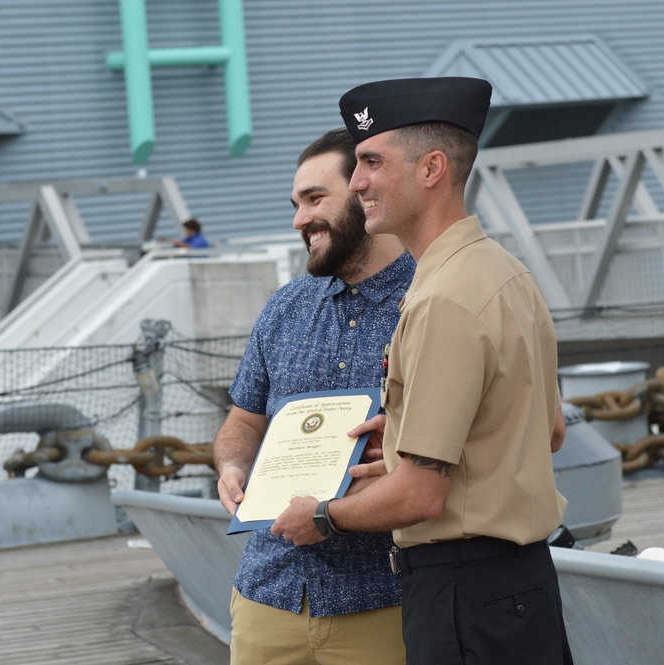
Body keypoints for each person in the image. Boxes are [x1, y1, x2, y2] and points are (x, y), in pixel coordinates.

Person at [272, 78, 573, 664]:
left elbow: (420, 497)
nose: (356, 182)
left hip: (464, 595)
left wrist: (321, 517)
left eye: (370, 162)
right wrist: (409, 438)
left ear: (432, 168)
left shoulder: (441, 298)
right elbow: (550, 430)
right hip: (519, 589)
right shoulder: (503, 271)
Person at [213, 127, 414, 665]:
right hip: (267, 596)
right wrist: (232, 465)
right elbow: (243, 420)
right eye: (296, 203)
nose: (299, 219)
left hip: (383, 601)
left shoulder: (429, 300)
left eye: (314, 199)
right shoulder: (284, 307)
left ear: (366, 189)